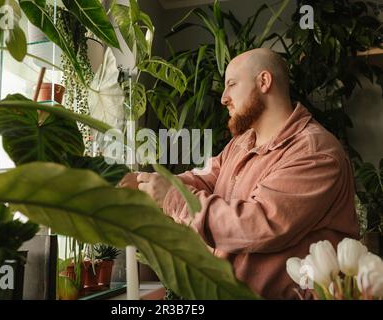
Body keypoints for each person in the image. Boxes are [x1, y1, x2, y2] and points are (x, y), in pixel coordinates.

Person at [119, 48, 359, 299]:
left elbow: (258, 225)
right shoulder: (242, 142)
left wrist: (172, 198)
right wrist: (144, 183)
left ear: (264, 82)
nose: (223, 98)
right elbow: (207, 178)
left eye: (231, 84)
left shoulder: (314, 151)